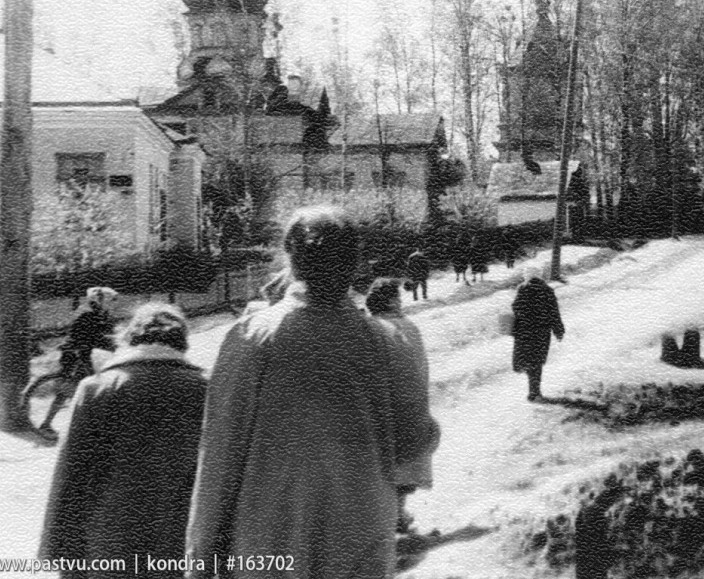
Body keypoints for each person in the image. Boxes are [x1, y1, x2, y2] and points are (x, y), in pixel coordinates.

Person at [186, 205, 440, 579]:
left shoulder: (252, 338)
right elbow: (416, 440)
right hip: (361, 539)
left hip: (269, 540)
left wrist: (200, 557)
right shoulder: (387, 341)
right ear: (355, 265)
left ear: (290, 259)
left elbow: (221, 457)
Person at [40, 303, 206, 578]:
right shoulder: (206, 387)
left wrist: (60, 552)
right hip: (178, 539)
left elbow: (71, 473)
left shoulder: (97, 388)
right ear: (183, 343)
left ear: (129, 338)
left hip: (109, 539)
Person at [365, 278, 435, 535]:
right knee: (402, 465)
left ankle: (389, 516)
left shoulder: (367, 327)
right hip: (408, 406)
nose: (401, 301)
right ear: (392, 301)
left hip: (377, 409)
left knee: (381, 465)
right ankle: (396, 515)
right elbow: (421, 370)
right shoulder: (407, 327)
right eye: (398, 297)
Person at [37, 286, 119, 440]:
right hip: (75, 355)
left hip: (89, 354)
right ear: (98, 301)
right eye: (108, 300)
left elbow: (107, 337)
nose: (111, 303)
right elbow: (80, 339)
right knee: (68, 390)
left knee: (87, 390)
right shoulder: (86, 315)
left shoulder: (103, 315)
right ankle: (47, 424)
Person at [511, 270, 565, 402]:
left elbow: (515, 308)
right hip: (541, 332)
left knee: (529, 360)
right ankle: (535, 391)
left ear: (527, 277)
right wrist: (558, 329)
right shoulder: (547, 290)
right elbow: (554, 312)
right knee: (537, 361)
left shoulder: (522, 289)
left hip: (525, 331)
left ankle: (532, 390)